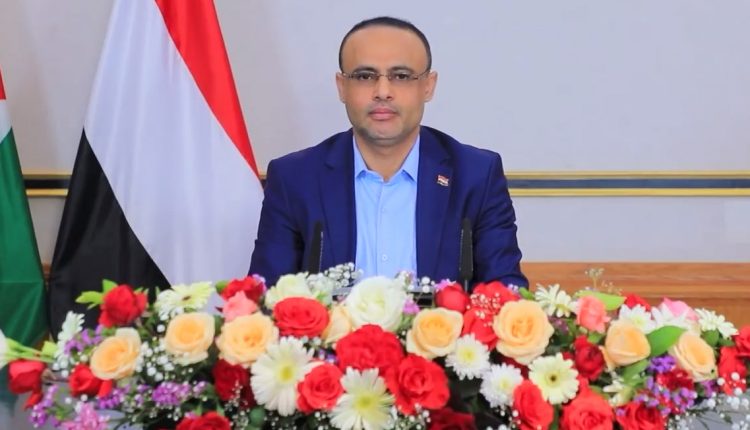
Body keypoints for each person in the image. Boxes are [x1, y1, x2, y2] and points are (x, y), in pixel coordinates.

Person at [249, 16, 527, 289]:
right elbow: (265, 295)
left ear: (428, 86)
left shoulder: (476, 176)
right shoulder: (295, 179)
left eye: (401, 76)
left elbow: (505, 293)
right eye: (365, 76)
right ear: (342, 87)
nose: (383, 91)